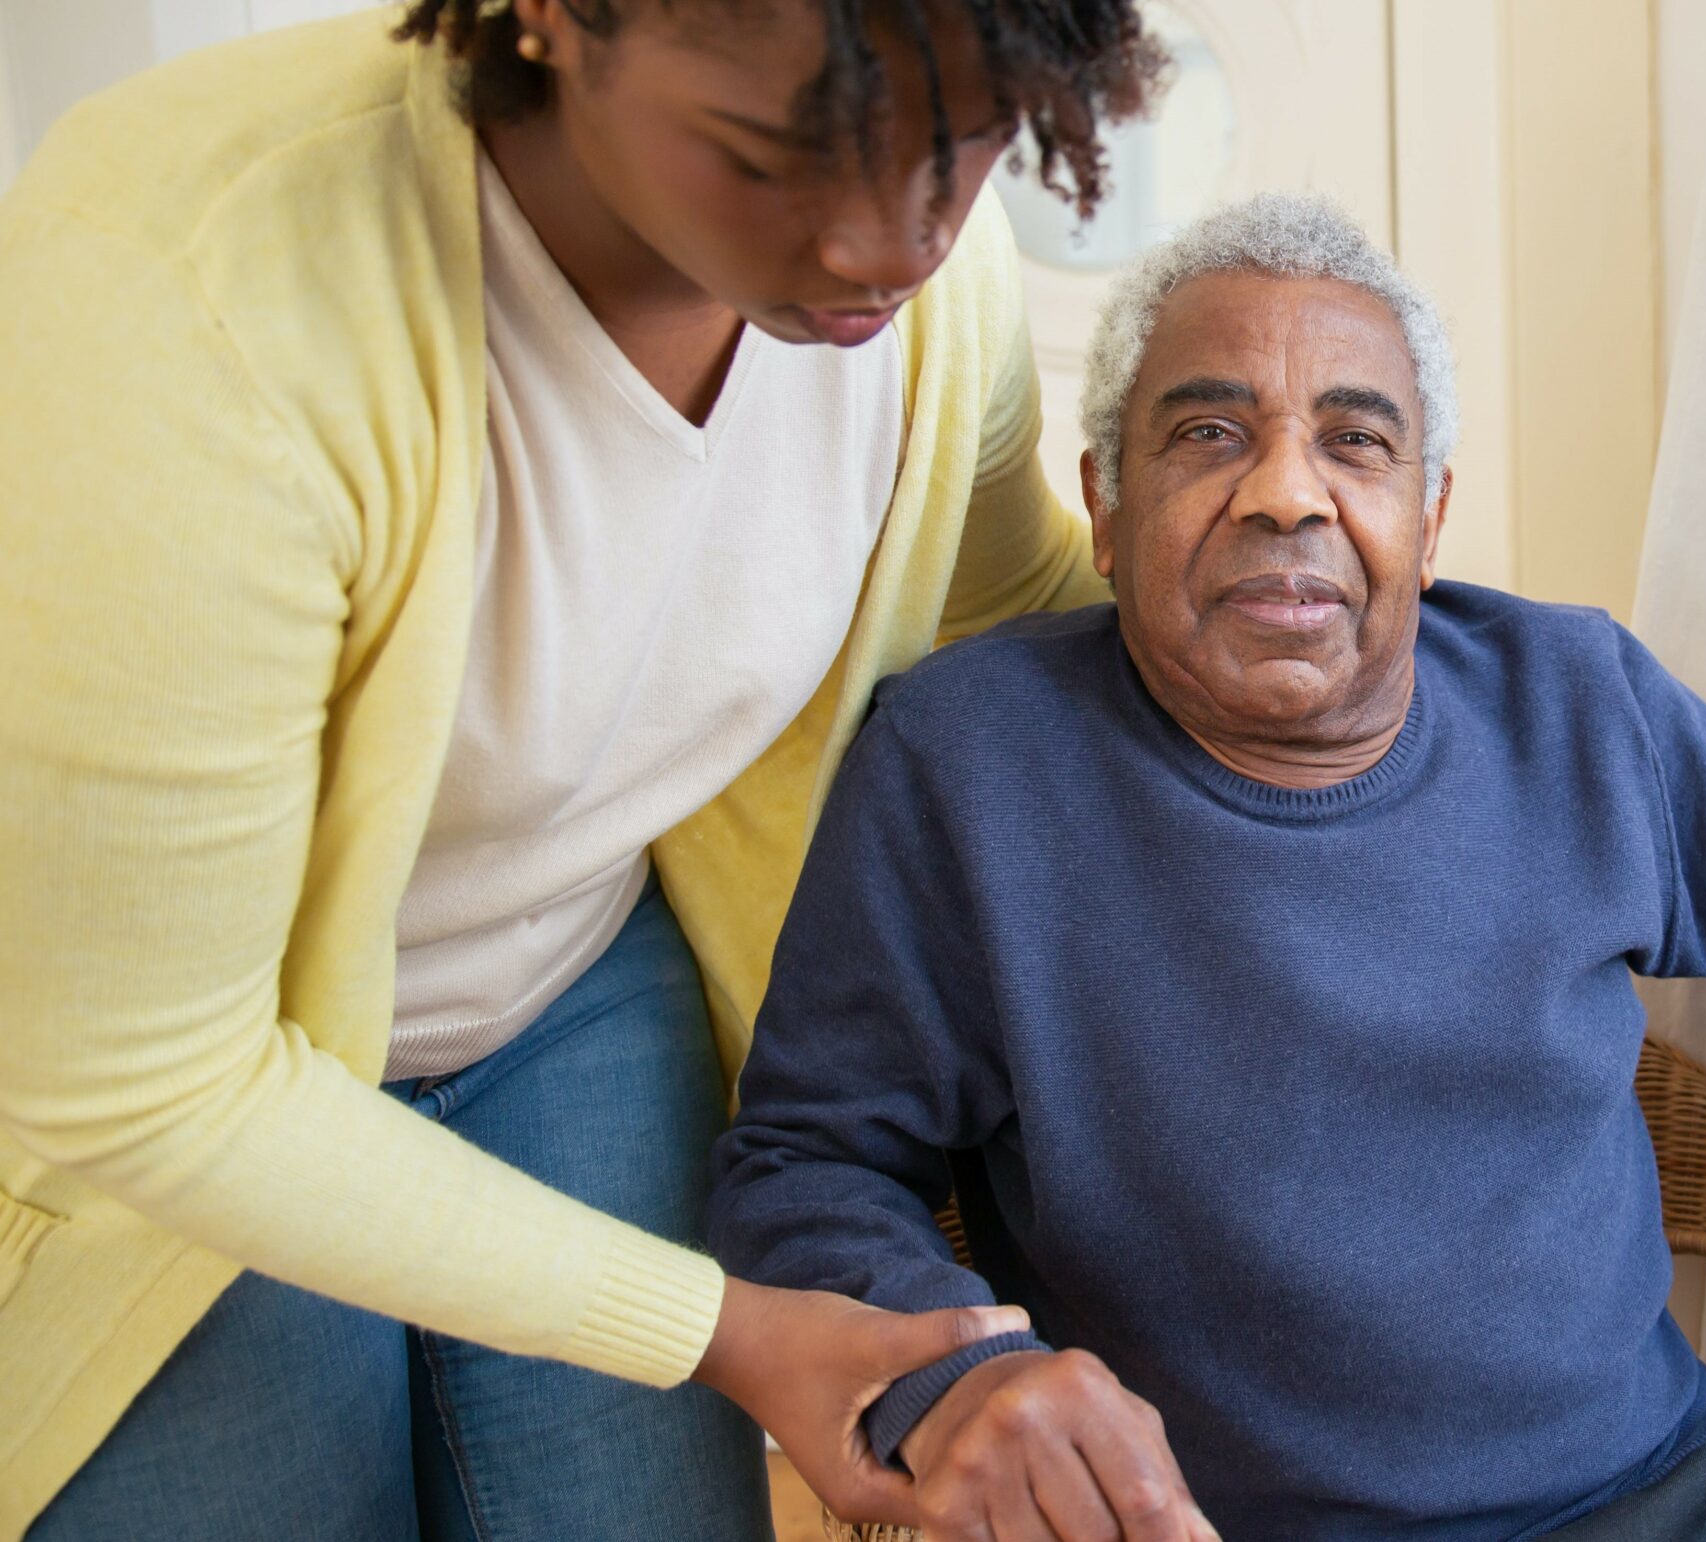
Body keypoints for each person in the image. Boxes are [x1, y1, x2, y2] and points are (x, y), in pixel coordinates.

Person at [707, 194, 1706, 1541]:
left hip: (1673, 1497)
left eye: (1356, 438)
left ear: (1429, 511)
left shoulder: (1578, 707)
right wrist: (955, 1375)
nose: (1284, 490)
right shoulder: (968, 763)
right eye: (1207, 434)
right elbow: (800, 1164)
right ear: (1106, 511)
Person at [0, 2, 1167, 1536]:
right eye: (773, 158)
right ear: (550, 16)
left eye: (956, 156)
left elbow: (1015, 602)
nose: (887, 246)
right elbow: (144, 1077)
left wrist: (1420, 706)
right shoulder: (189, 292)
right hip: (165, 1094)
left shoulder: (938, 315)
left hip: (571, 971)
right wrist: (720, 1327)